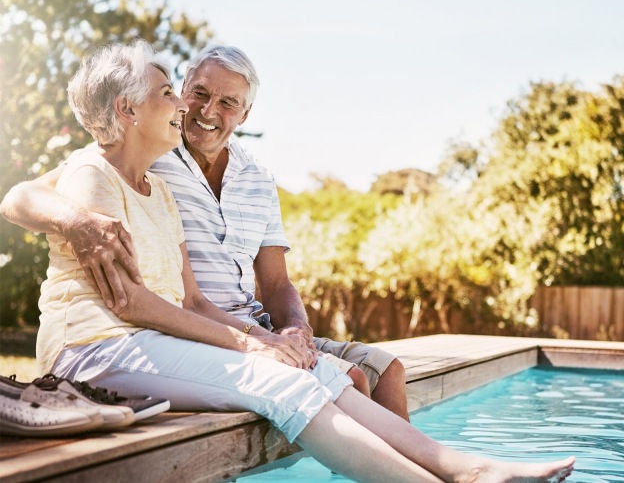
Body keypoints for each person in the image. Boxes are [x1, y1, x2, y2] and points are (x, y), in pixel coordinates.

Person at [2, 40, 575, 482]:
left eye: (225, 102)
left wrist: (278, 336)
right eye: (177, 93)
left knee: (320, 369)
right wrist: (252, 345)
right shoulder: (96, 171)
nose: (188, 107)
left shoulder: (164, 188)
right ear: (128, 109)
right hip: (101, 346)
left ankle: (462, 468)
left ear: (245, 112)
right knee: (281, 378)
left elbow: (198, 297)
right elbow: (117, 290)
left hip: (170, 336)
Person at [1, 45, 408, 419]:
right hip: (191, 330)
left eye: (228, 102)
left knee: (388, 372)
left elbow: (278, 282)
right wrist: (78, 222)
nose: (208, 111)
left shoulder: (258, 177)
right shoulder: (148, 153)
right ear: (181, 91)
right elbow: (20, 197)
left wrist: (294, 329)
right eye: (199, 93)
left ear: (245, 115)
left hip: (252, 326)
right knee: (350, 380)